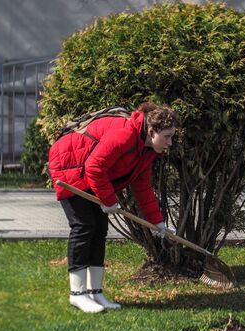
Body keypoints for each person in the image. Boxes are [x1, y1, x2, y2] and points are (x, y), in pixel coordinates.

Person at [48, 102, 179, 313]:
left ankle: (96, 293)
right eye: (167, 136)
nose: (170, 142)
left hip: (88, 173)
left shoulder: (146, 150)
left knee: (99, 230)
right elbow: (94, 166)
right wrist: (109, 201)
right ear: (152, 131)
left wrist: (158, 222)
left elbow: (143, 187)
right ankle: (78, 294)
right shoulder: (125, 135)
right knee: (84, 227)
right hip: (69, 167)